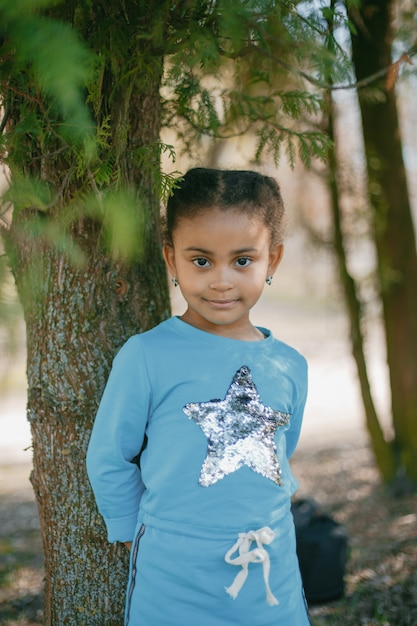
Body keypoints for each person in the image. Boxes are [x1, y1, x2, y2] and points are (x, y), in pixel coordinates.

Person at [87, 168, 310, 625]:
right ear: (171, 260)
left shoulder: (290, 365)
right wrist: (136, 535)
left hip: (270, 567)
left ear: (274, 259)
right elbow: (109, 456)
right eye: (201, 261)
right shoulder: (147, 355)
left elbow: (280, 454)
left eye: (243, 260)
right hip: (173, 573)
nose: (222, 281)